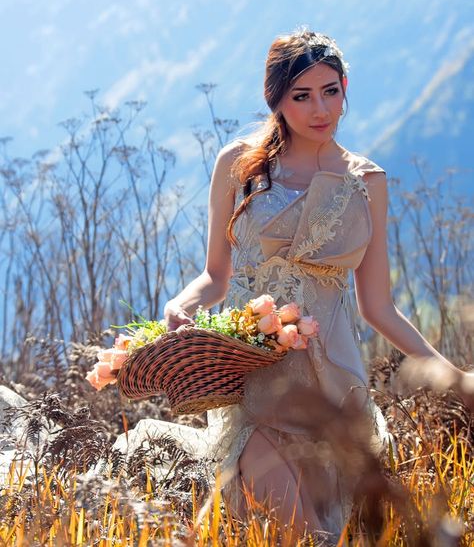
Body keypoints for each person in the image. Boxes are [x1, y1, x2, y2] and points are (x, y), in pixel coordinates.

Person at [159, 29, 473, 543]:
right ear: (276, 101)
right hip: (259, 379)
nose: (319, 108)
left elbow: (379, 308)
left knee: (328, 532)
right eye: (301, 96)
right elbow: (217, 275)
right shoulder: (238, 166)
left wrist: (452, 375)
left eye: (330, 90)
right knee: (303, 533)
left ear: (346, 87)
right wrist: (182, 302)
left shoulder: (366, 182)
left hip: (336, 384)